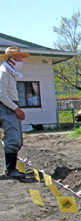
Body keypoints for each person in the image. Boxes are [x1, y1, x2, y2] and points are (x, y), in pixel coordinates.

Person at [0, 47, 29, 178]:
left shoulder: (10, 72)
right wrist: (16, 109)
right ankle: (10, 170)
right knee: (13, 137)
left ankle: (11, 168)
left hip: (10, 106)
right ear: (10, 59)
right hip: (7, 107)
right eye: (18, 58)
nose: (20, 60)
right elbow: (1, 94)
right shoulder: (4, 73)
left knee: (17, 139)